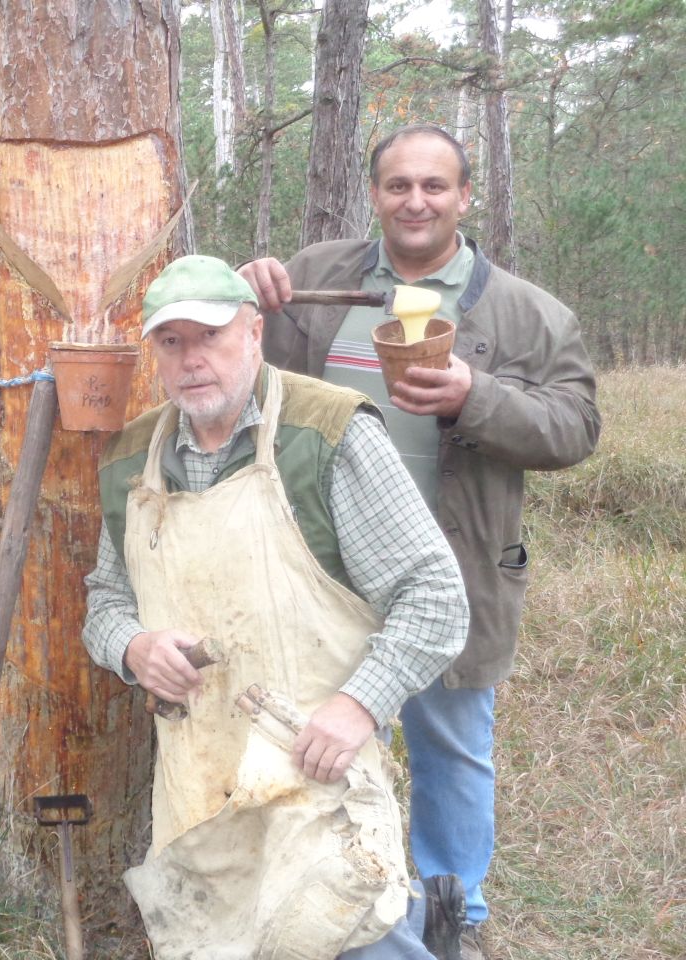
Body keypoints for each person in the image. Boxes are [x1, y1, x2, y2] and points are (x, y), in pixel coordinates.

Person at [238, 124, 601, 959]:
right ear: (375, 194)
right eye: (398, 185)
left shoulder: (523, 312)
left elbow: (576, 428)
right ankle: (341, 899)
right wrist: (245, 290)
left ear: (465, 197)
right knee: (325, 738)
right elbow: (239, 360)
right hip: (324, 567)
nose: (416, 201)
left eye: (435, 186)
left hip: (453, 565)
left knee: (451, 745)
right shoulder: (319, 277)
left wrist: (477, 396)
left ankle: (455, 914)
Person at [82, 254, 472, 959]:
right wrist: (133, 649)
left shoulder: (328, 434)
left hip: (313, 768)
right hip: (198, 782)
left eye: (210, 337)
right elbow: (105, 600)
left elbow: (435, 597)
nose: (191, 360)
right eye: (171, 343)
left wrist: (358, 707)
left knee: (343, 928)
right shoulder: (130, 460)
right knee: (222, 939)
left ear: (253, 333)